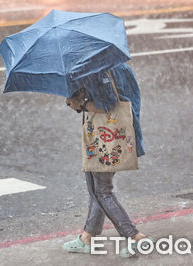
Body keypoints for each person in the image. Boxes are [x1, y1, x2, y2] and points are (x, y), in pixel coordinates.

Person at [62, 63, 151, 258]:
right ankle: (87, 237)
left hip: (105, 137)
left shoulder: (96, 71)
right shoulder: (119, 66)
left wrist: (81, 104)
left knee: (101, 190)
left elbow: (107, 104)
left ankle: (135, 237)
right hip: (120, 134)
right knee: (95, 186)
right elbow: (127, 98)